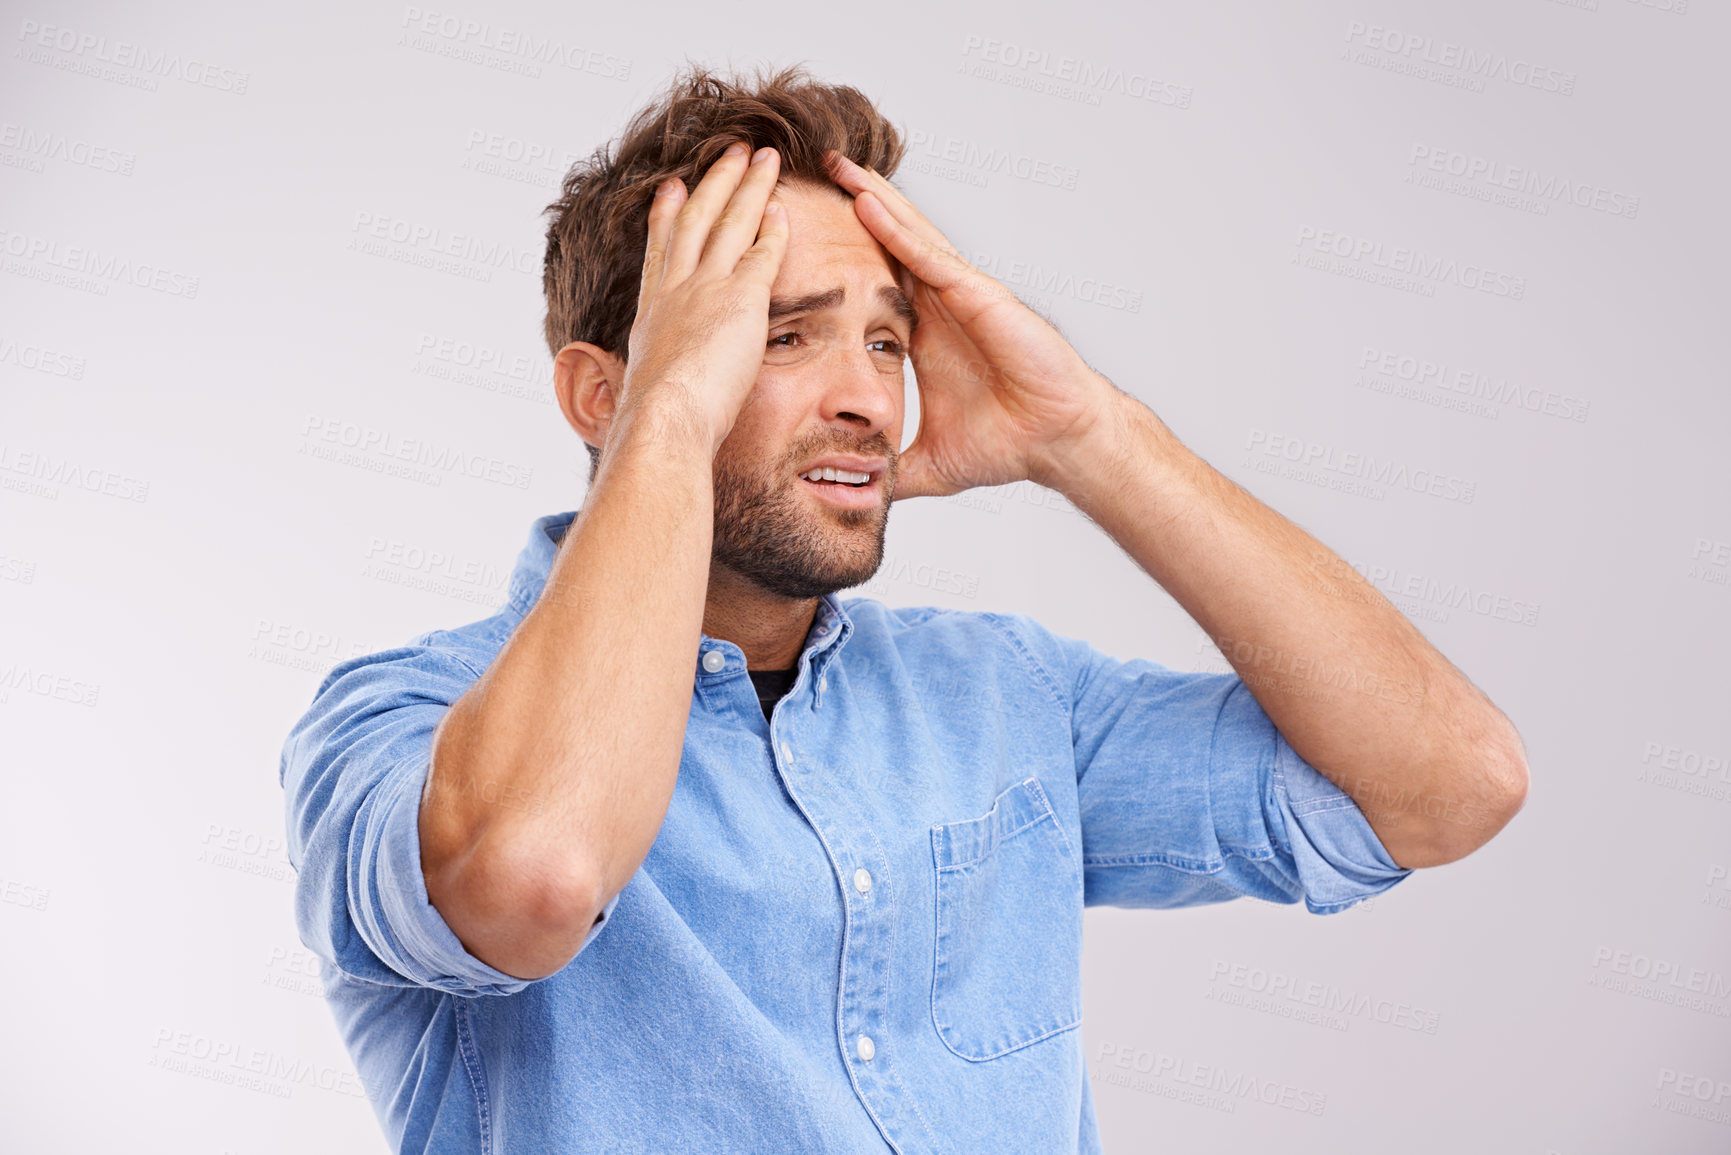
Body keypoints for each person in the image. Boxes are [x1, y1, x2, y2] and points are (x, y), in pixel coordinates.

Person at [280, 63, 1528, 1154]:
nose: (870, 401)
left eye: (886, 342)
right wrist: (671, 416)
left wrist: (1091, 435)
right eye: (779, 337)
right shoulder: (404, 722)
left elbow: (1449, 783)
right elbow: (536, 876)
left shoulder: (1006, 696)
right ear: (596, 392)